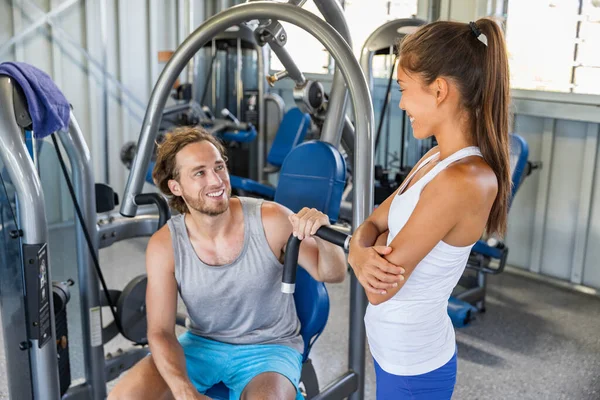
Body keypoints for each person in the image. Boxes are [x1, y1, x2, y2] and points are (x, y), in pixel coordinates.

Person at [109, 126, 347, 400]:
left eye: (219, 167)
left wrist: (327, 236)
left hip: (269, 348)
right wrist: (184, 391)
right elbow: (161, 332)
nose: (216, 180)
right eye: (199, 172)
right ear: (176, 187)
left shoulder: (271, 220)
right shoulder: (165, 246)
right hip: (201, 346)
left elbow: (334, 273)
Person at [347, 18, 511, 399]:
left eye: (404, 89)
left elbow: (379, 290)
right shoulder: (436, 158)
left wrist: (363, 251)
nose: (401, 102)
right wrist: (361, 250)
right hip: (392, 353)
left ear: (439, 90)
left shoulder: (464, 179)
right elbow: (372, 221)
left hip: (416, 369)